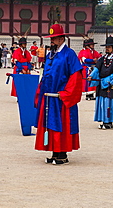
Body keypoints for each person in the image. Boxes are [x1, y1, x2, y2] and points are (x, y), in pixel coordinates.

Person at [34, 24, 83, 165]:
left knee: (62, 125)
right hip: (49, 96)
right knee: (50, 125)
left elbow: (76, 76)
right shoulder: (50, 54)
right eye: (51, 39)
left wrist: (66, 93)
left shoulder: (69, 54)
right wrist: (40, 91)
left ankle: (62, 154)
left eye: (54, 38)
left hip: (60, 97)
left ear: (62, 39)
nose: (52, 41)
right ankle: (54, 152)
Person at [88, 36, 113, 130]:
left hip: (110, 86)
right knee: (102, 104)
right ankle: (104, 121)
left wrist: (106, 81)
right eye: (106, 47)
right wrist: (91, 76)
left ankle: (109, 122)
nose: (107, 49)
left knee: (109, 104)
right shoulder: (102, 59)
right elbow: (97, 69)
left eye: (109, 47)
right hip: (101, 86)